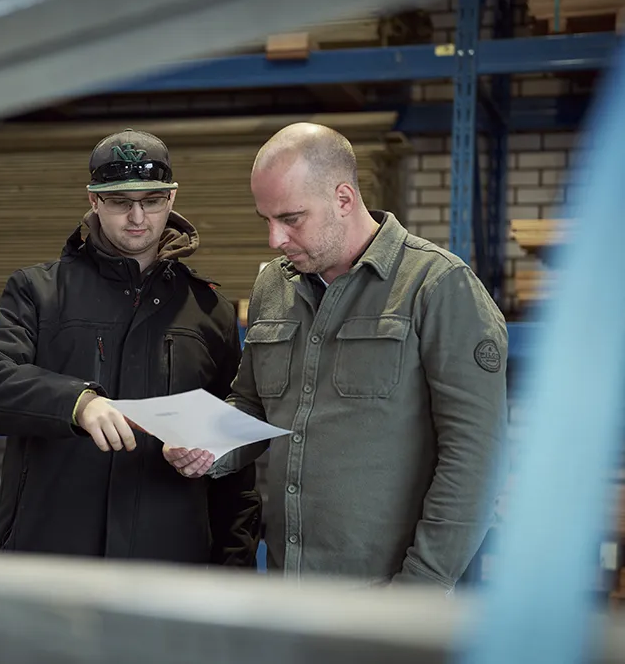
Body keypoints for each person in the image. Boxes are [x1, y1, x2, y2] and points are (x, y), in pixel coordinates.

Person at [163, 122, 509, 591]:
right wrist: (204, 446)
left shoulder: (438, 287)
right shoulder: (273, 287)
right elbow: (252, 405)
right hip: (291, 584)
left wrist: (420, 587)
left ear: (343, 199)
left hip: (387, 594)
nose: (274, 240)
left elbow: (476, 459)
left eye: (290, 219)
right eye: (265, 219)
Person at [0, 128, 262, 567]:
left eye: (152, 201)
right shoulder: (40, 293)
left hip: (169, 568)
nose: (137, 217)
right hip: (52, 563)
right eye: (120, 202)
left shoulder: (207, 309)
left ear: (172, 198)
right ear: (94, 201)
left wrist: (235, 569)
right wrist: (77, 403)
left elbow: (236, 466)